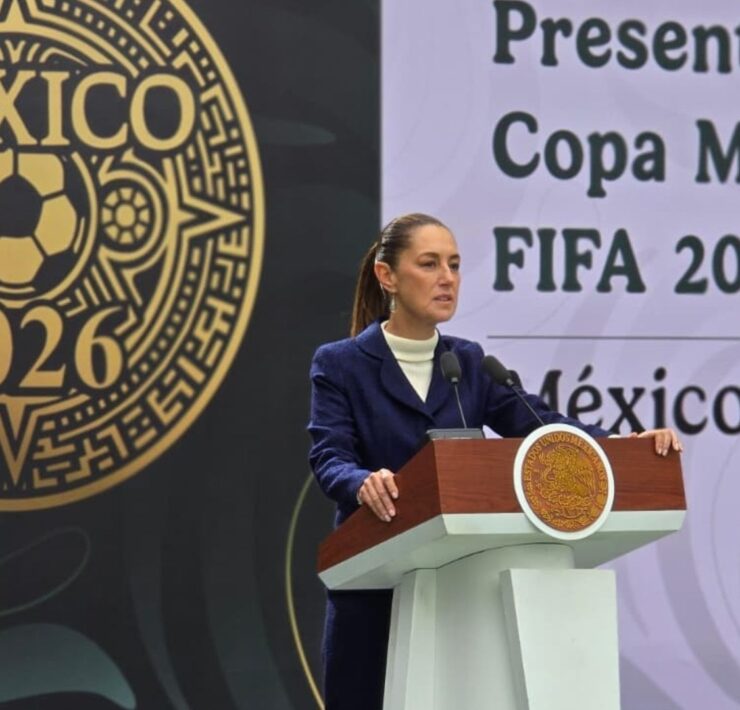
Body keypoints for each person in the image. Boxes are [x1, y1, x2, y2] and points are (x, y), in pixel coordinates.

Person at [307, 213, 682, 710]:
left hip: (463, 594)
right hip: (376, 580)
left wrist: (620, 444)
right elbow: (329, 454)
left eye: (455, 265)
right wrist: (361, 482)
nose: (447, 278)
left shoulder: (468, 361)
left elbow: (540, 424)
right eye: (429, 264)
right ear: (387, 276)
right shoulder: (341, 363)